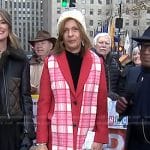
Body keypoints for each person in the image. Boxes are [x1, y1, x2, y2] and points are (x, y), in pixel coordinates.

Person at [36, 10, 108, 150]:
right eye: (66, 30)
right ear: (61, 36)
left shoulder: (97, 62)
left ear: (82, 32)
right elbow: (43, 104)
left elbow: (102, 103)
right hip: (58, 138)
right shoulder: (50, 62)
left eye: (75, 29)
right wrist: (41, 141)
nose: (70, 34)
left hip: (87, 138)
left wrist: (100, 137)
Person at [0, 9, 35, 150]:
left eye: (3, 22)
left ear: (9, 26)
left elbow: (25, 97)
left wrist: (28, 132)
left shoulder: (20, 59)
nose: (0, 26)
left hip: (12, 129)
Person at [116, 26, 150, 150]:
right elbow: (128, 104)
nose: (146, 51)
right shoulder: (133, 73)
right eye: (143, 47)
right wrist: (121, 107)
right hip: (133, 143)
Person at [93, 32, 121, 100]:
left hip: (112, 101)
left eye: (107, 43)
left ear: (110, 46)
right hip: (95, 100)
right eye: (101, 42)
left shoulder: (115, 62)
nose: (104, 45)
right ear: (95, 45)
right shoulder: (89, 61)